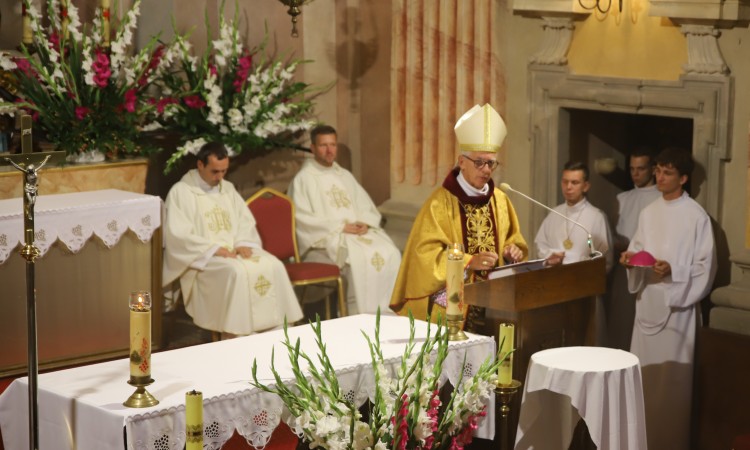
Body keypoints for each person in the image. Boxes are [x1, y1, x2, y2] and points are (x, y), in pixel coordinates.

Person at [389, 104, 527, 322]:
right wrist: (468, 261)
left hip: (496, 304)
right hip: (454, 306)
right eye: (479, 162)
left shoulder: (500, 200)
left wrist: (514, 252)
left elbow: (514, 240)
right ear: (462, 162)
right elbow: (425, 257)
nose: (486, 170)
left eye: (491, 163)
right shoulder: (440, 203)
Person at [620, 147, 716, 450]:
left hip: (678, 311)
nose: (659, 177)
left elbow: (706, 266)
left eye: (667, 172)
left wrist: (674, 269)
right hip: (647, 304)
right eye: (658, 170)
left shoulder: (696, 216)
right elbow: (639, 250)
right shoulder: (649, 213)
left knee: (672, 389)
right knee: (643, 381)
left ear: (684, 178)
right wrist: (631, 260)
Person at [162, 142, 303, 337]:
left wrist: (243, 243)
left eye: (224, 171)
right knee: (236, 272)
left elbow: (244, 222)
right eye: (215, 171)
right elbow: (178, 235)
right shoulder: (182, 192)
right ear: (200, 165)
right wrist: (213, 249)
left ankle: (279, 334)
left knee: (275, 265)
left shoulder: (227, 188)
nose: (220, 177)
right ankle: (237, 336)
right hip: (203, 257)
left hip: (233, 250)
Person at [287, 125, 402, 315]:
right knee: (357, 259)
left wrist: (365, 222)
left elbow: (365, 207)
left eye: (333, 144)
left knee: (390, 252)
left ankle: (387, 315)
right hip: (328, 239)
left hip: (356, 233)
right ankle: (358, 316)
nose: (329, 150)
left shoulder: (344, 175)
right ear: (313, 148)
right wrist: (340, 227)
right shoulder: (304, 179)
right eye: (323, 145)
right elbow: (301, 218)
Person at [608, 147, 661, 350]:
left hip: (649, 272)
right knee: (621, 323)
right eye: (631, 169)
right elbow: (613, 233)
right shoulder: (622, 199)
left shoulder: (659, 199)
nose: (635, 174)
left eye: (641, 168)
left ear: (653, 169)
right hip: (624, 271)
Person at [534, 161, 613, 271]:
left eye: (574, 182)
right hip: (554, 279)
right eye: (565, 182)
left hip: (583, 281)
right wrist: (550, 256)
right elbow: (540, 246)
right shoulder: (554, 214)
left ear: (585, 186)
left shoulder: (596, 217)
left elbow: (604, 257)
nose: (568, 187)